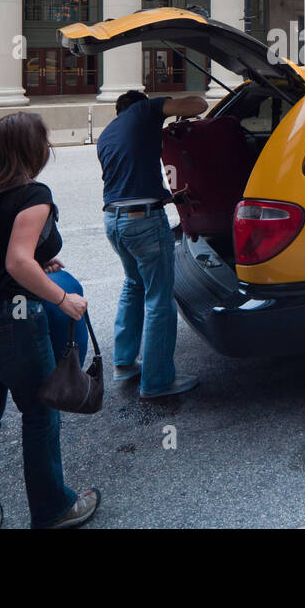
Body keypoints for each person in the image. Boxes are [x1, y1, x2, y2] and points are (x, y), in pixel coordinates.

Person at [0, 112, 100, 529]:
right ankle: (53, 508)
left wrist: (38, 260)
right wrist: (63, 298)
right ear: (37, 149)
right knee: (40, 412)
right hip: (10, 323)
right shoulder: (34, 193)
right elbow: (16, 261)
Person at [98, 88, 207, 399]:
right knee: (159, 299)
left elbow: (128, 183)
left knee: (133, 285)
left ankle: (124, 363)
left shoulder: (108, 134)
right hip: (143, 223)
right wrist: (174, 104)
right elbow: (200, 103)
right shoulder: (143, 113)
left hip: (115, 220)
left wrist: (169, 199)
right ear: (142, 108)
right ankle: (157, 381)